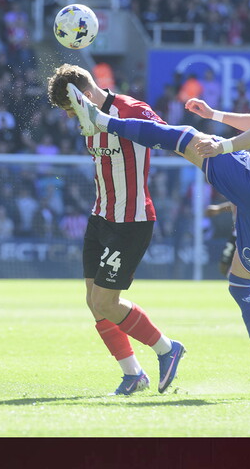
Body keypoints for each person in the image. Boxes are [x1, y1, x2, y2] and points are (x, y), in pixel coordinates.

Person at [65, 43, 250, 399]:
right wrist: (216, 113)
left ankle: (102, 121)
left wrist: (224, 146)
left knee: (187, 138)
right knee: (240, 285)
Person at [46, 63, 186, 397]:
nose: (69, 117)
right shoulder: (84, 117)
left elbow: (166, 137)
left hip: (131, 221)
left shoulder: (132, 109)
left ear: (85, 95)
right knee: (94, 301)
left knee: (107, 302)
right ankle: (133, 375)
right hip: (100, 217)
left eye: (69, 109)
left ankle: (168, 349)